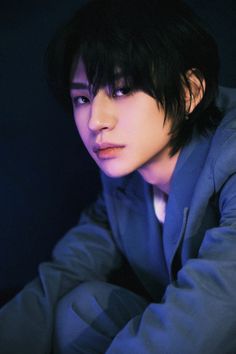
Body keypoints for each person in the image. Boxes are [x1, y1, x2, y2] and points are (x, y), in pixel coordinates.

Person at [1, 0, 236, 353]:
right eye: (82, 98)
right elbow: (64, 273)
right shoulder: (123, 175)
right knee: (78, 310)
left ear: (189, 93)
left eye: (122, 90)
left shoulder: (230, 154)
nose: (96, 120)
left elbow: (211, 304)